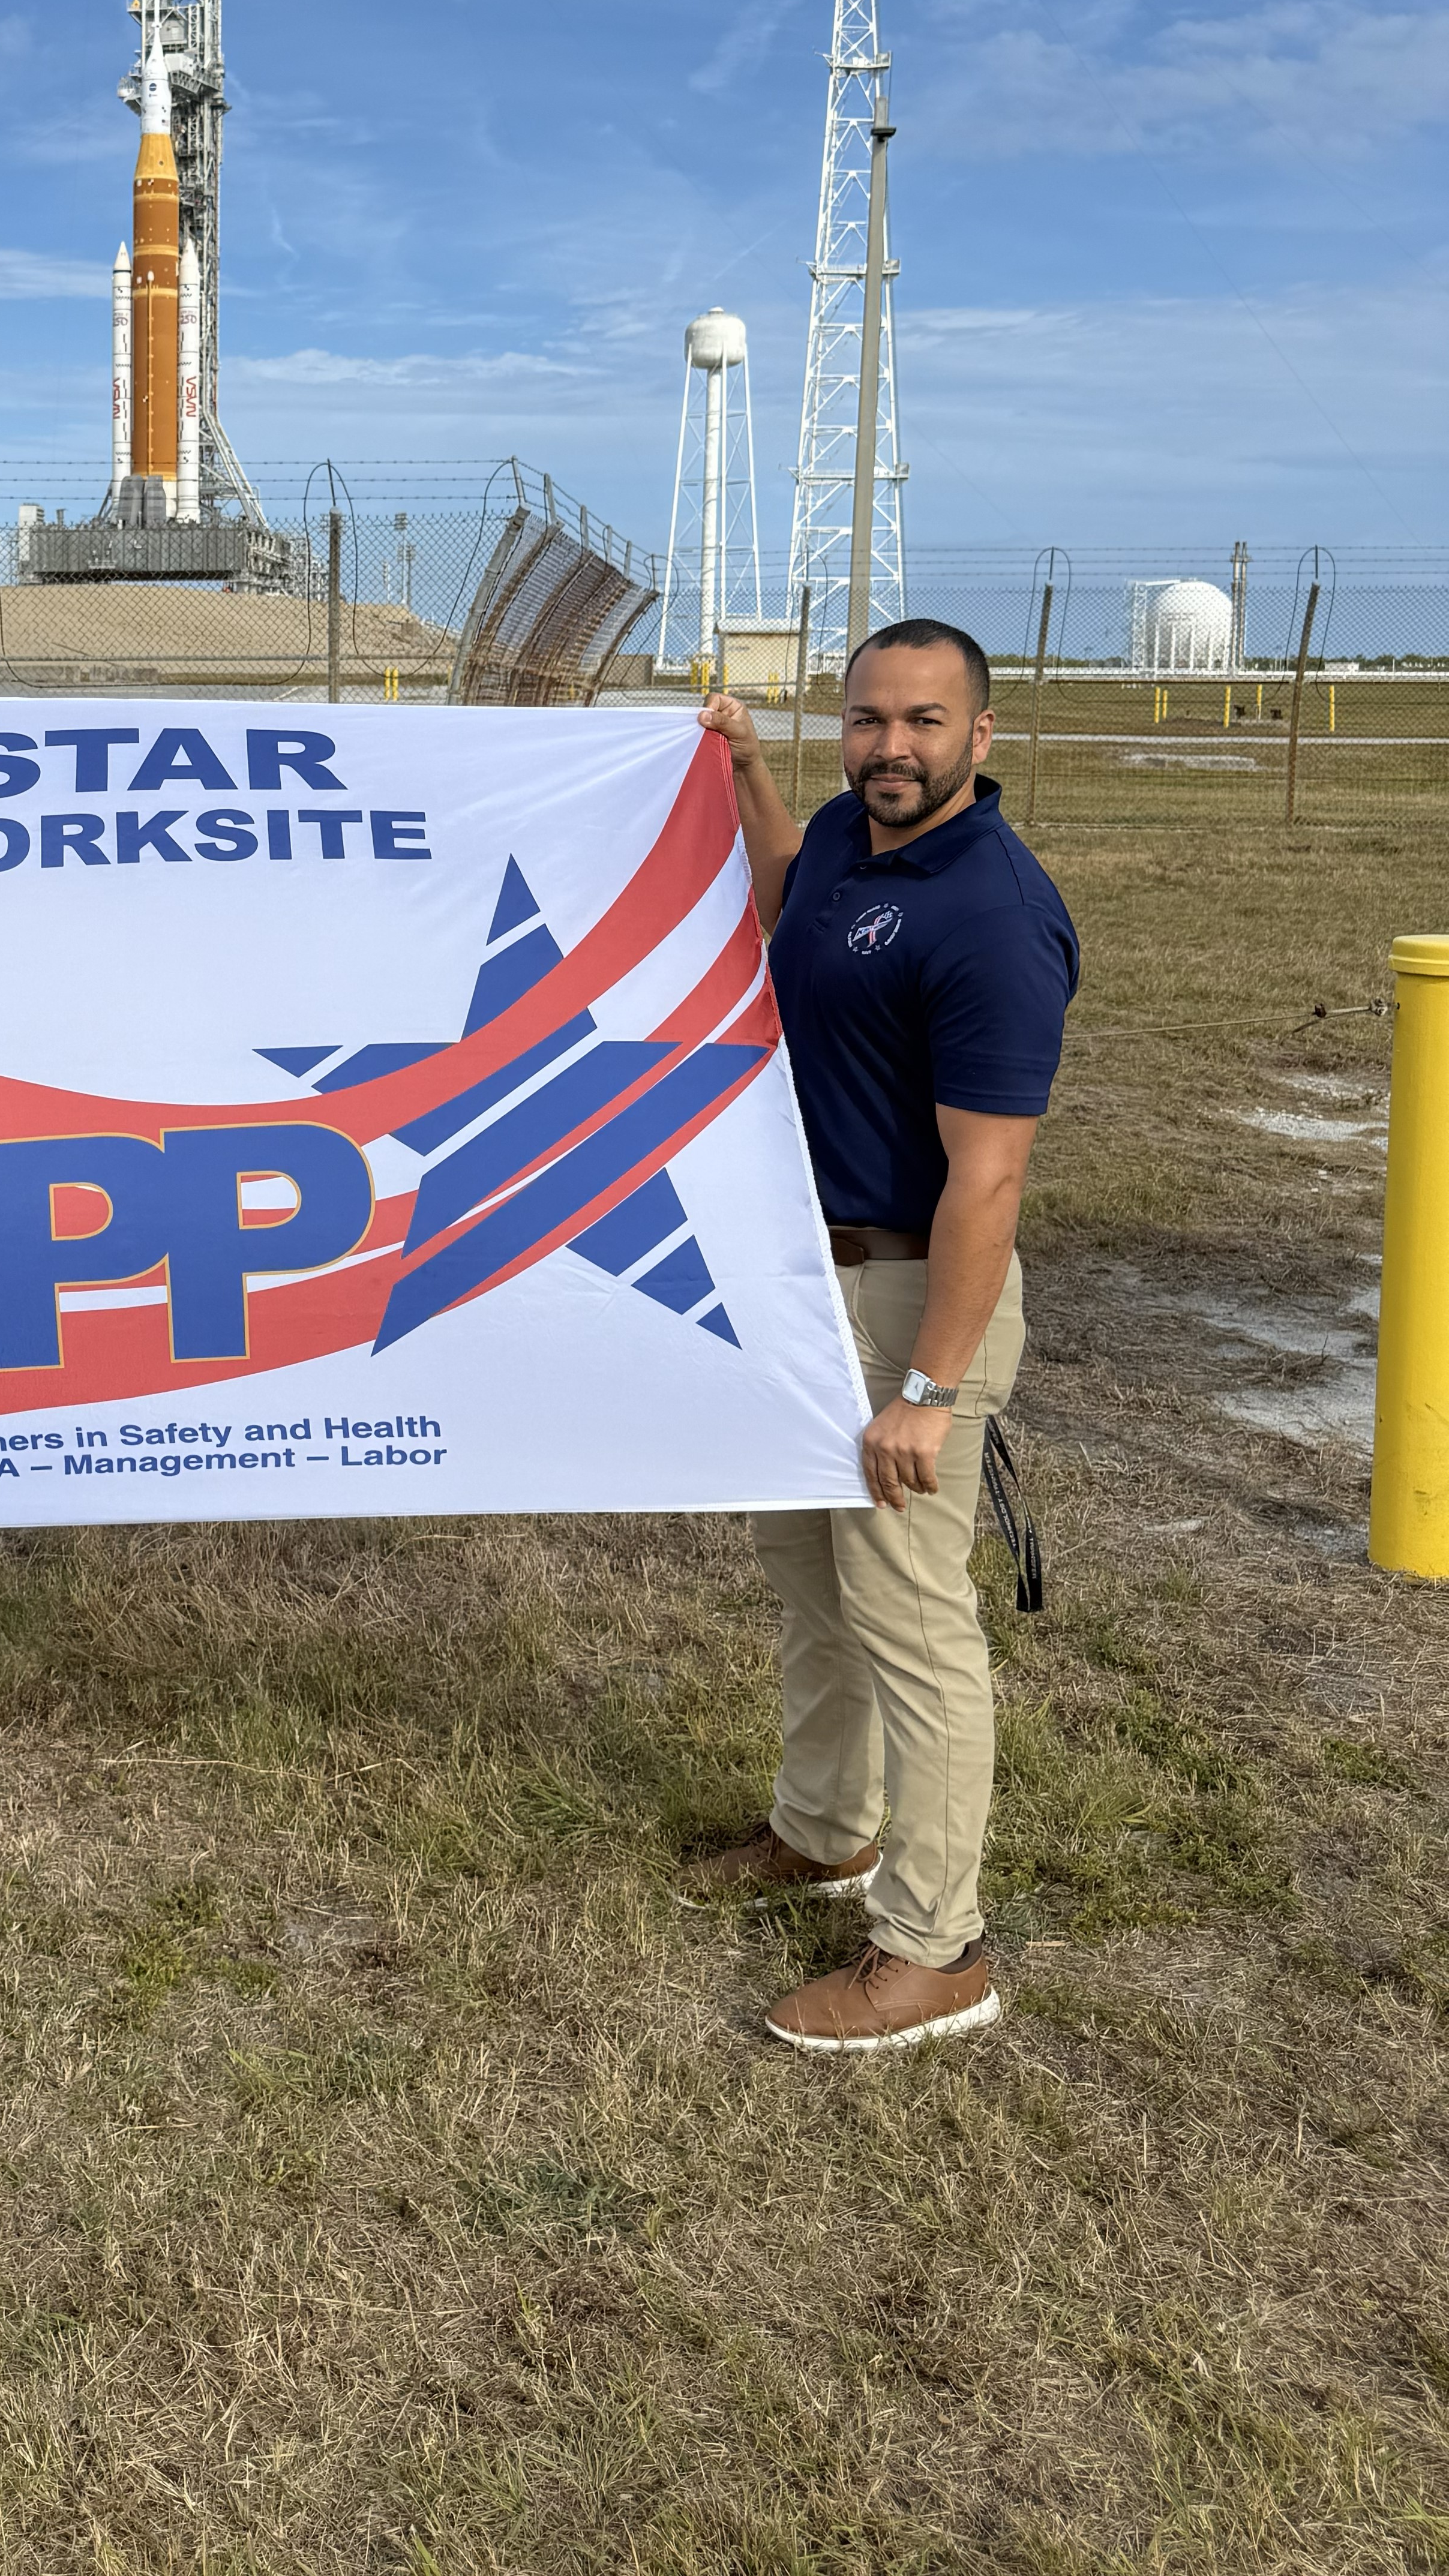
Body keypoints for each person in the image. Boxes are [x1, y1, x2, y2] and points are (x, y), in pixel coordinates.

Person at [693, 621, 1077, 2053]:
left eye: (924, 723)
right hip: (806, 1286)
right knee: (810, 1576)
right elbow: (793, 899)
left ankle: (936, 1948)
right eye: (868, 720)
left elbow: (989, 1178)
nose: (891, 748)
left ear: (982, 737)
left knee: (912, 1619)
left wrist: (928, 1390)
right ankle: (823, 1829)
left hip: (909, 1300)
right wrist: (744, 773)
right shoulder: (856, 836)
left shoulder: (992, 914)